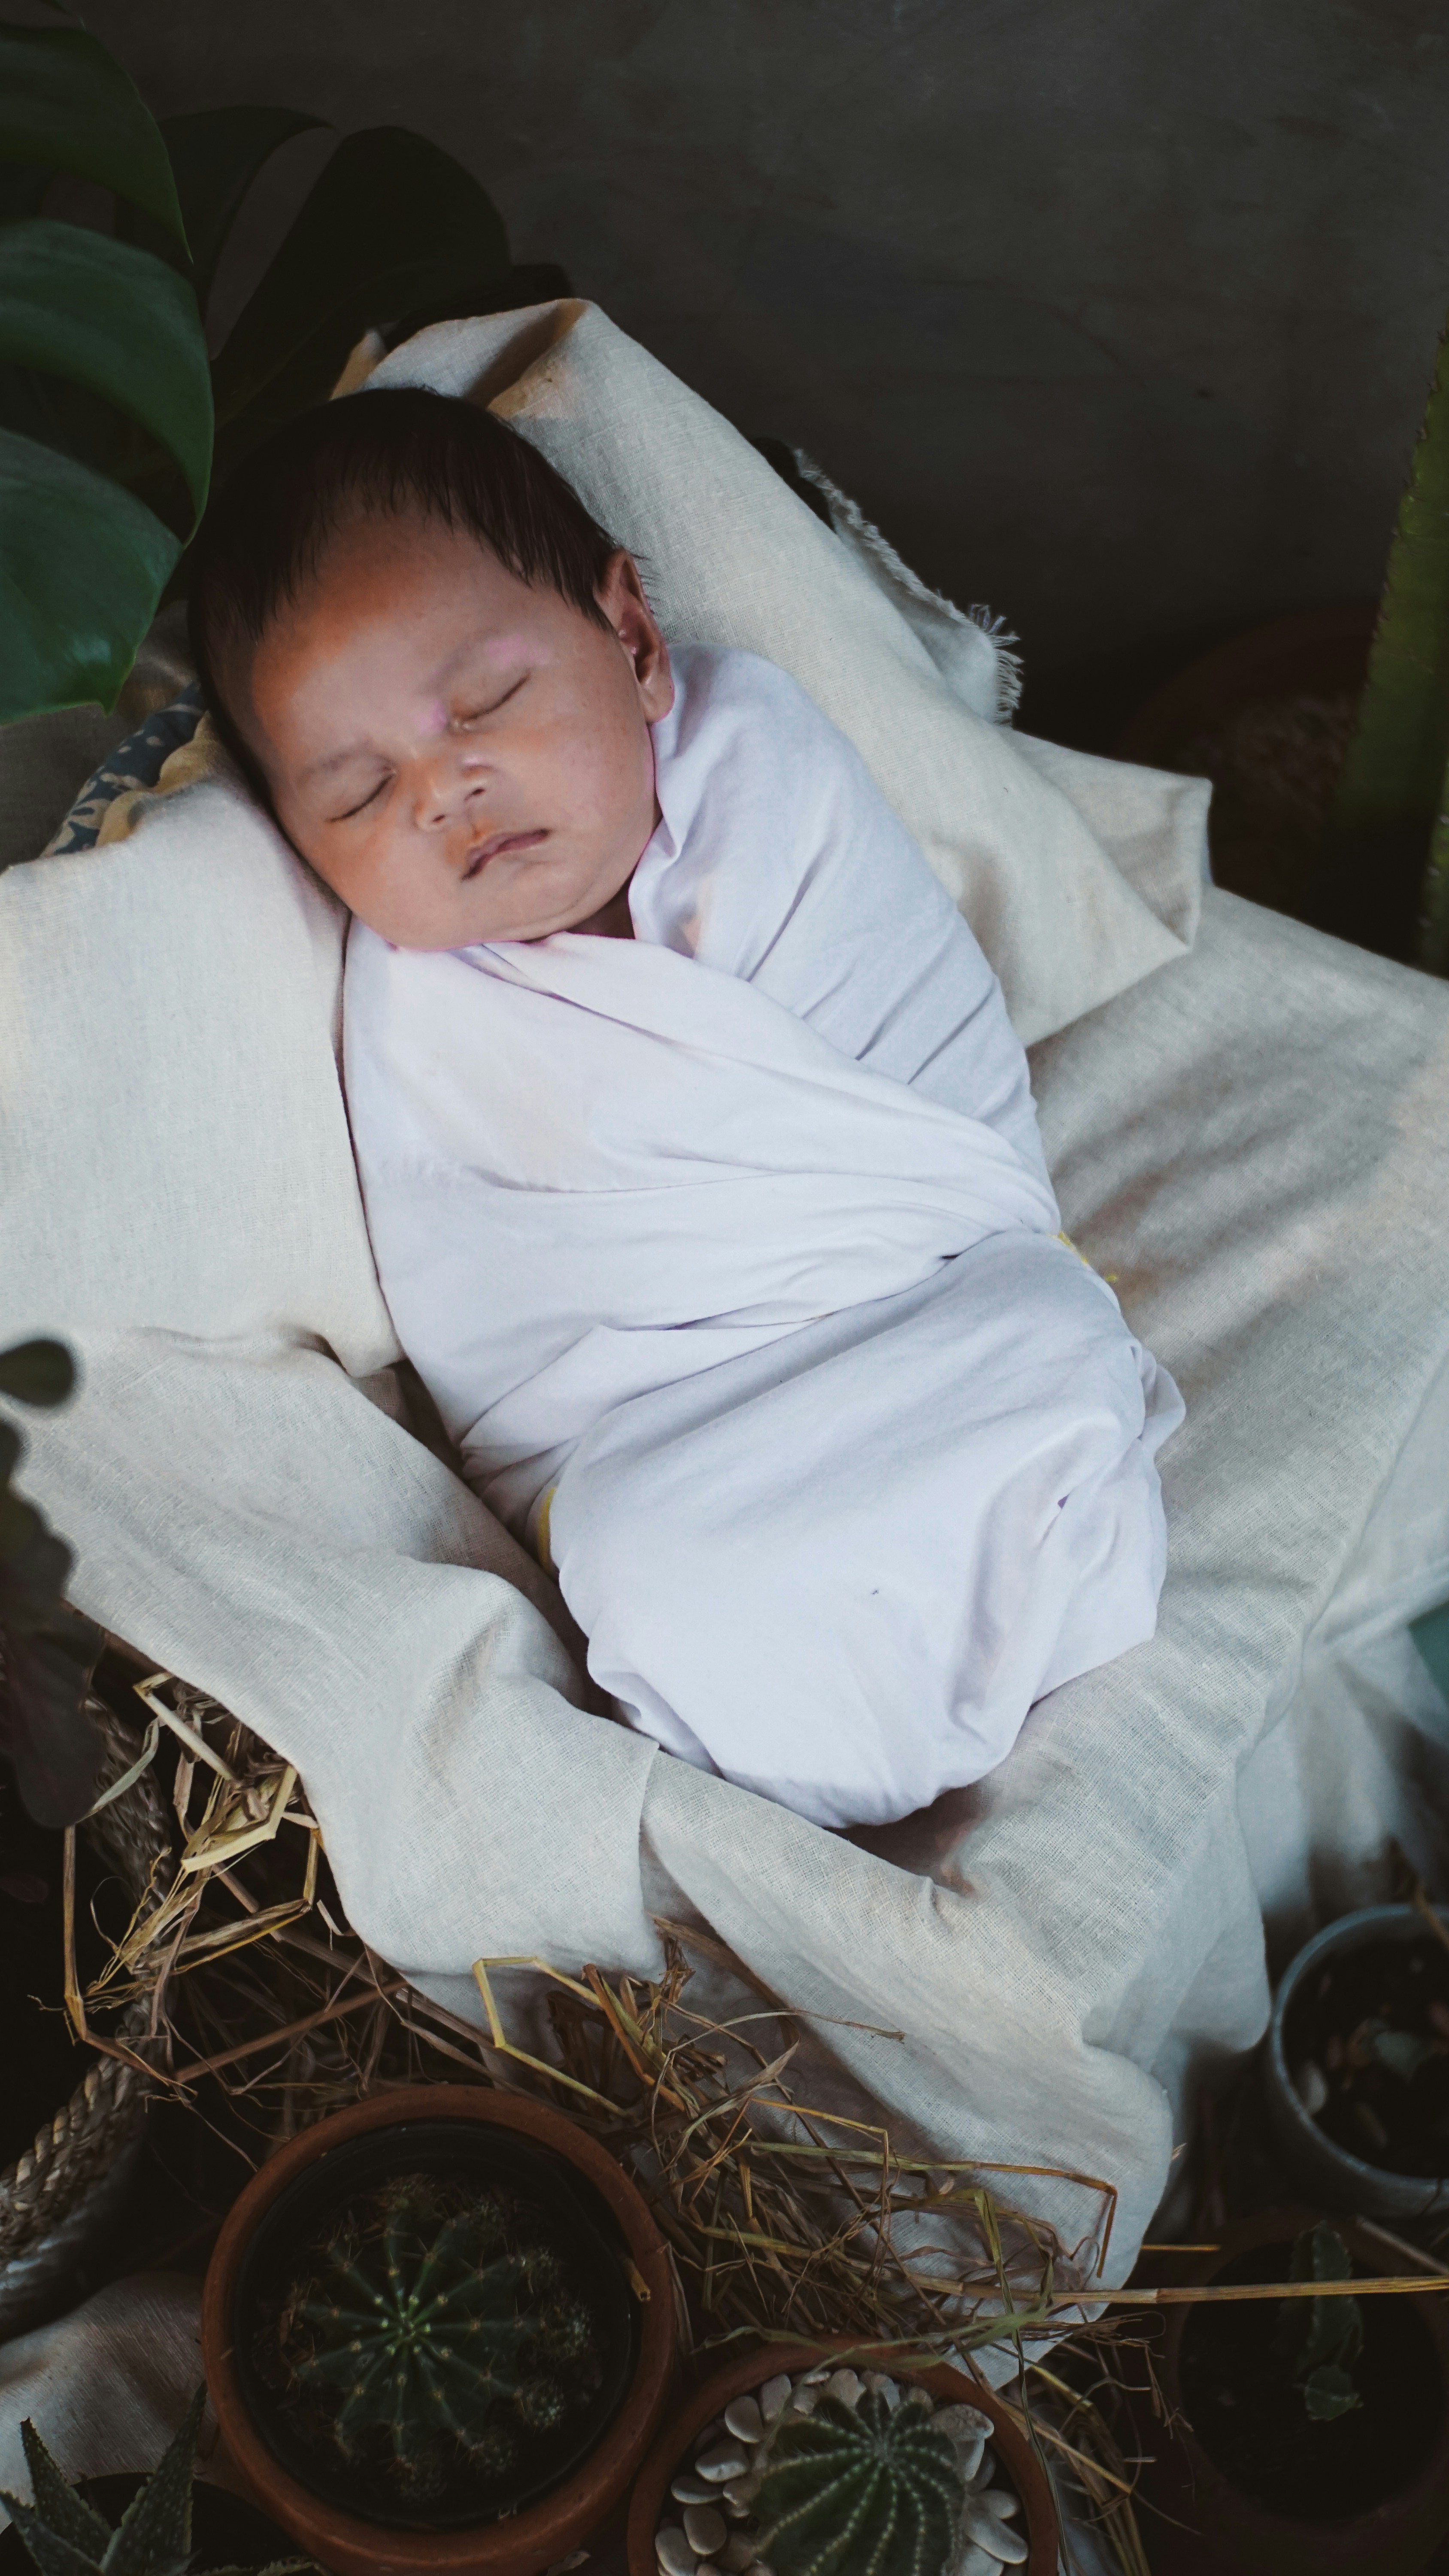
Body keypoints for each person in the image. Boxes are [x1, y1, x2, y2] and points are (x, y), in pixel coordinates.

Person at [188, 387, 1182, 1831]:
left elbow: (941, 1146)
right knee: (633, 1553)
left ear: (636, 644)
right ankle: (826, 1704)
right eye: (357, 791)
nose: (447, 788)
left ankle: (959, 1581)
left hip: (922, 1313)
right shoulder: (426, 1019)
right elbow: (508, 1327)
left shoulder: (771, 788)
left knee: (1052, 1331)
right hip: (673, 1446)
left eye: (485, 704)